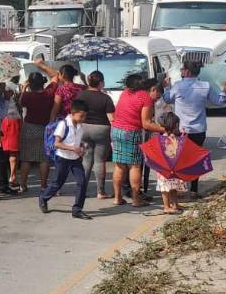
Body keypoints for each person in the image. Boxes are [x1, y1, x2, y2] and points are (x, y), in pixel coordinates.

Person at [162, 62, 226, 194]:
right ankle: (193, 190)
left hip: (180, 130)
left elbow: (167, 99)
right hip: (198, 130)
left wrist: (166, 87)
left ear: (188, 72)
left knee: (178, 159)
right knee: (195, 159)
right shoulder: (205, 86)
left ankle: (179, 189)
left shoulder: (177, 86)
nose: (181, 71)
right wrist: (225, 88)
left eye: (182, 69)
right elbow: (220, 101)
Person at [109, 74, 165, 207]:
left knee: (119, 165)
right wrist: (164, 129)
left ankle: (117, 198)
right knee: (134, 166)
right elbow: (146, 124)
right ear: (151, 89)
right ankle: (136, 199)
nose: (158, 97)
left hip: (116, 130)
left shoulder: (125, 93)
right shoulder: (145, 98)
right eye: (158, 93)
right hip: (130, 132)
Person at [38, 99, 92, 220]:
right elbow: (57, 143)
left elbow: (76, 140)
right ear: (73, 113)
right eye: (81, 116)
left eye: (85, 116)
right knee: (58, 183)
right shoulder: (63, 124)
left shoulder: (80, 126)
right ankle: (44, 197)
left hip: (75, 159)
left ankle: (77, 209)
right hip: (63, 158)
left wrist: (82, 145)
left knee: (82, 182)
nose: (83, 118)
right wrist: (73, 148)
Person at [76, 71, 115, 199]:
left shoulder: (81, 95)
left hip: (84, 128)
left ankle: (82, 189)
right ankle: (100, 191)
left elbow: (76, 112)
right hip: (101, 130)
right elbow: (112, 119)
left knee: (86, 160)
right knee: (99, 161)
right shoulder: (106, 98)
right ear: (101, 83)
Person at [18, 72, 54, 190]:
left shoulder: (27, 96)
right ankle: (43, 185)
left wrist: (24, 87)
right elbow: (55, 79)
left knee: (26, 158)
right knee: (44, 159)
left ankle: (23, 185)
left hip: (29, 127)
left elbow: (20, 103)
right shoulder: (48, 94)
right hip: (44, 128)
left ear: (30, 84)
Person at [154, 112, 196, 214]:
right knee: (169, 188)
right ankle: (168, 206)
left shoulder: (162, 138)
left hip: (164, 167)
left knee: (169, 188)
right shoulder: (172, 138)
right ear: (175, 125)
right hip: (170, 167)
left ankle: (172, 205)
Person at [0, 81, 23, 194]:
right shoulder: (10, 87)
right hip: (12, 121)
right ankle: (12, 177)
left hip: (3, 121)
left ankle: (10, 177)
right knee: (13, 152)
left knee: (4, 152)